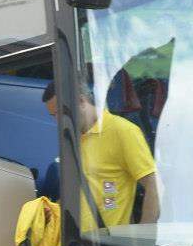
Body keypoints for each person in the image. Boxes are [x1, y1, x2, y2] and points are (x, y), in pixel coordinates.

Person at [42, 80, 158, 232]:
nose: (58, 121)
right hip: (75, 245)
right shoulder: (72, 139)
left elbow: (154, 185)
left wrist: (144, 236)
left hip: (109, 245)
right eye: (53, 115)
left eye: (60, 112)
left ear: (81, 101)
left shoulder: (122, 131)